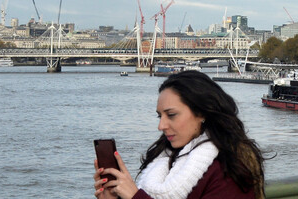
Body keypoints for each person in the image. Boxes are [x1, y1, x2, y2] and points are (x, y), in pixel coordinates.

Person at [93, 70, 265, 199]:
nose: (161, 125)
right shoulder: (168, 159)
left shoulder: (228, 170)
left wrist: (135, 196)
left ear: (202, 113)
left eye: (172, 115)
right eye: (160, 116)